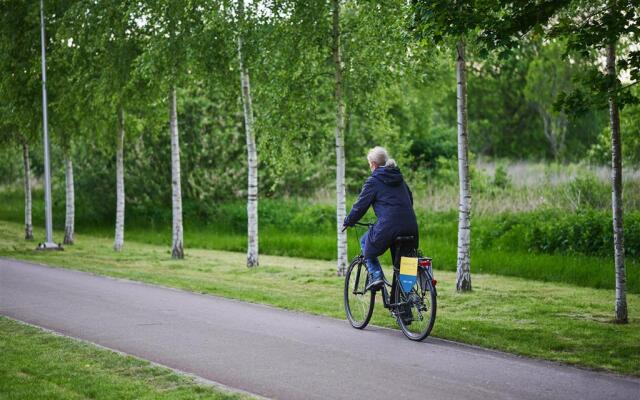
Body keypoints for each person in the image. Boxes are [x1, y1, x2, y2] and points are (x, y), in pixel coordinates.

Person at [342, 146, 419, 291]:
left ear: (373, 164)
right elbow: (410, 199)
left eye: (369, 164)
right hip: (411, 226)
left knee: (365, 241)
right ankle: (405, 307)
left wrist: (349, 221)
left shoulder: (374, 181)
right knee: (404, 265)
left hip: (389, 227)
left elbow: (360, 206)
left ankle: (376, 276)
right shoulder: (400, 178)